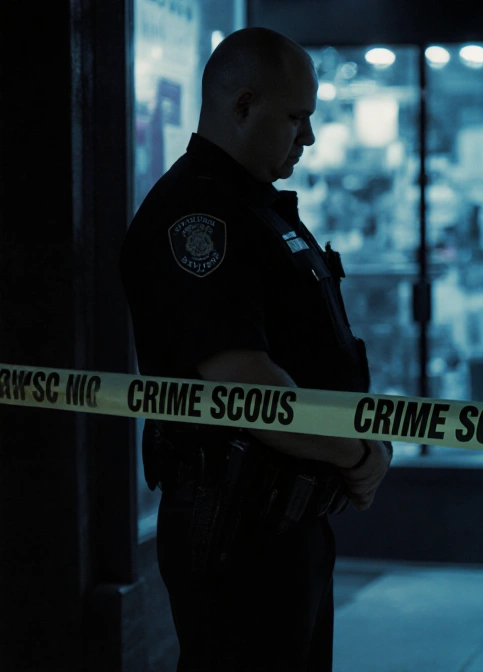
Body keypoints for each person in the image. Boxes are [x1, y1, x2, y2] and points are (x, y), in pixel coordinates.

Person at [119, 27, 392, 671]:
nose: (309, 137)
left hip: (281, 520)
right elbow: (244, 383)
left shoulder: (253, 207)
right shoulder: (199, 216)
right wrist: (356, 453)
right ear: (243, 106)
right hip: (238, 529)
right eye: (296, 117)